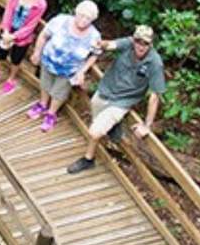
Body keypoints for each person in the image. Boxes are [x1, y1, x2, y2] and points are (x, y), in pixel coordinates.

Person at [67, 25, 166, 174]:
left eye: (145, 43)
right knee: (96, 116)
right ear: (134, 40)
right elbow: (111, 45)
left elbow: (155, 96)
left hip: (122, 101)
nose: (141, 46)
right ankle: (113, 128)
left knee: (94, 132)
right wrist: (101, 44)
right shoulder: (128, 44)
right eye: (138, 41)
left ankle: (88, 159)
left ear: (151, 44)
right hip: (105, 89)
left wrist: (147, 125)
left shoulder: (154, 63)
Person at [27, 0, 101, 133]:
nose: (84, 20)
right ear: (76, 12)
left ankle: (51, 114)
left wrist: (82, 71)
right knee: (45, 84)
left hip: (69, 70)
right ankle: (42, 104)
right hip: (48, 61)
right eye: (82, 15)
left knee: (59, 93)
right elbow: (44, 35)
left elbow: (95, 54)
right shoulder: (61, 21)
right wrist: (37, 52)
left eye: (88, 18)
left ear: (93, 20)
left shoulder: (94, 36)